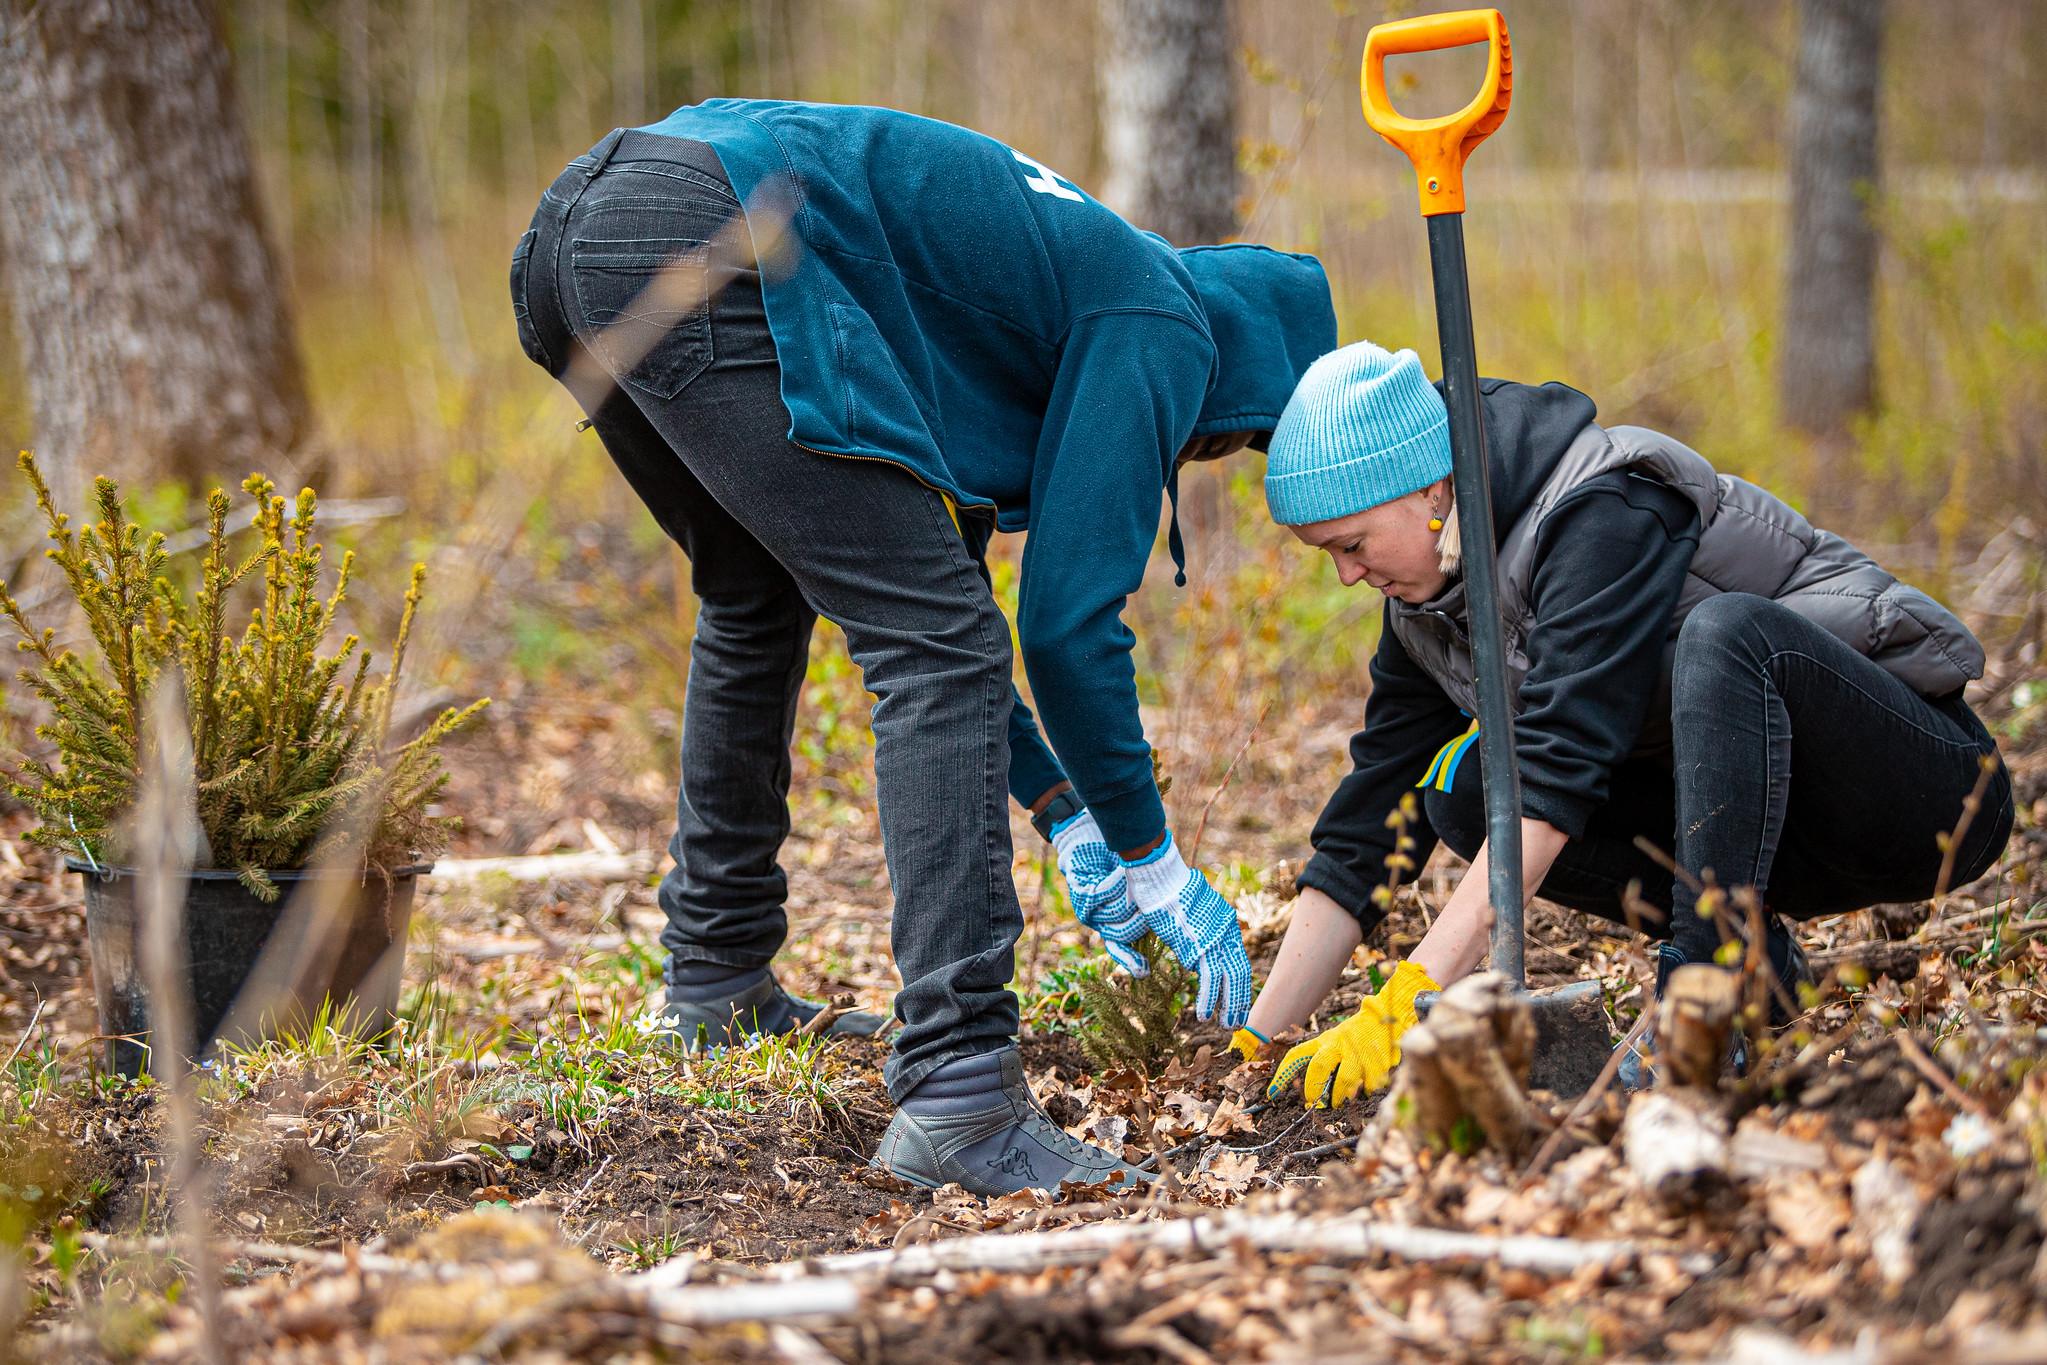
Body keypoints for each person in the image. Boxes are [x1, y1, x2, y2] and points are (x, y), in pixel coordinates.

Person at [509, 100, 1337, 1191]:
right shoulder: (1165, 322)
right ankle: (960, 1090)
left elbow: (940, 594)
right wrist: (1152, 860)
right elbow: (1053, 627)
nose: (1207, 450)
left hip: (580, 237)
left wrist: (1064, 811)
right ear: (1250, 386)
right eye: (1232, 440)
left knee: (757, 592)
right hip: (698, 227)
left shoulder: (1046, 296)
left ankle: (716, 978)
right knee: (931, 643)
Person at [1233, 340, 2013, 1106]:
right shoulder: (1424, 607)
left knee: (1726, 635)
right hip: (1763, 834)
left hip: (1919, 796)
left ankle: (1704, 1002)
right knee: (1462, 792)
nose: (1346, 574)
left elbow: (1554, 768)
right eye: (1327, 554)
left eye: (1351, 544)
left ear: (1432, 490)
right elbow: (1372, 820)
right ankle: (1761, 973)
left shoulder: (1602, 506)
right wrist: (1256, 1042)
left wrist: (1403, 1003)